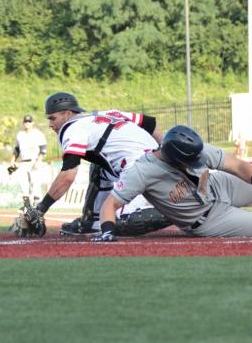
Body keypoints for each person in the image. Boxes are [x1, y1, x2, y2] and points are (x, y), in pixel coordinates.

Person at [91, 125, 252, 241]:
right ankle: (242, 219)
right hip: (206, 219)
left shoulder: (191, 147)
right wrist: (107, 231)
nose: (197, 160)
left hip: (218, 186)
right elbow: (110, 204)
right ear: (173, 158)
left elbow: (237, 166)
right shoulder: (142, 171)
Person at [16, 92, 171, 238]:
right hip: (152, 162)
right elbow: (149, 122)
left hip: (139, 168)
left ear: (67, 114)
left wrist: (41, 209)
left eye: (52, 118)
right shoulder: (104, 114)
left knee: (116, 223)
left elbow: (68, 175)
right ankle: (93, 222)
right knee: (99, 169)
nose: (50, 124)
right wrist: (165, 150)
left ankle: (174, 212)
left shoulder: (72, 129)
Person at [7, 114, 48, 208]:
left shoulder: (38, 134)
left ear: (32, 123)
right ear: (23, 123)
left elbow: (43, 148)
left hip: (35, 161)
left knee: (35, 183)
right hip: (24, 162)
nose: (27, 123)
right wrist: (13, 160)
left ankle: (38, 206)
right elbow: (17, 149)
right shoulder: (20, 135)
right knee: (23, 183)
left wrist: (39, 160)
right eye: (25, 121)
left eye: (29, 121)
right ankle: (26, 205)